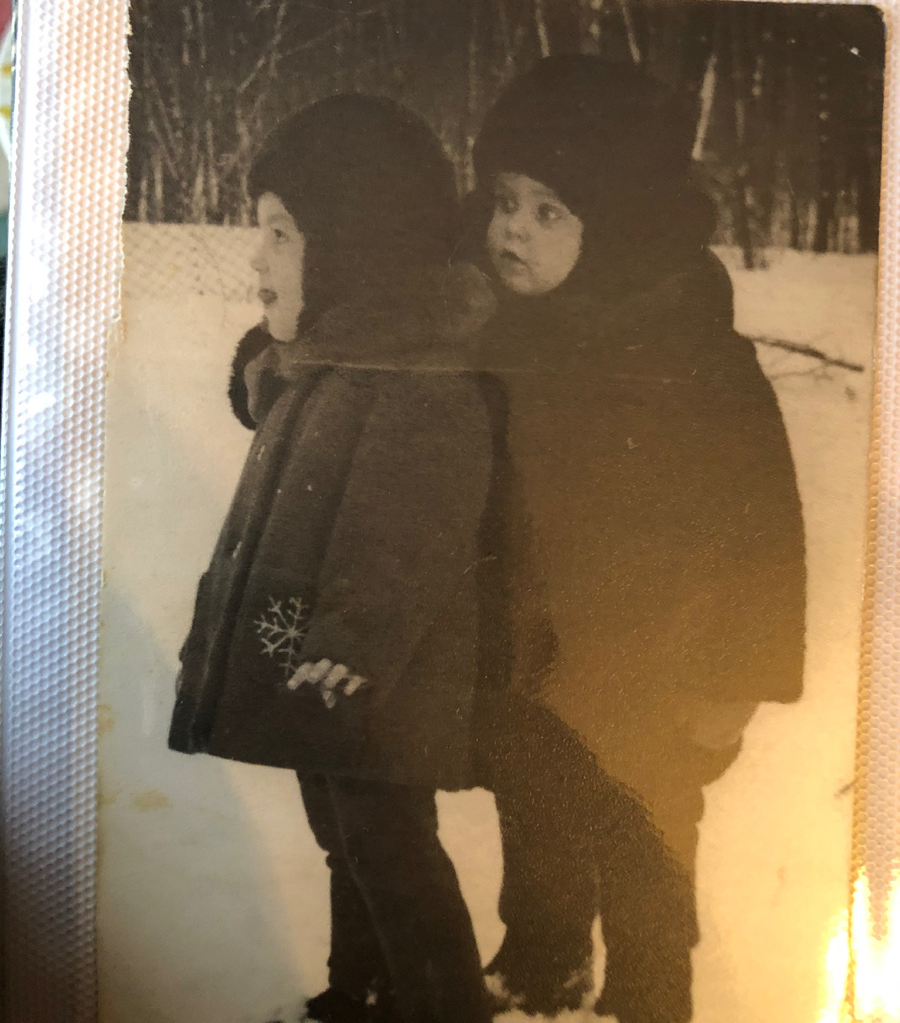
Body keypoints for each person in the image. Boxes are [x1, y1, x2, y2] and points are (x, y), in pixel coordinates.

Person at [468, 55, 807, 1022]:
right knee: (535, 818)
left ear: (618, 224)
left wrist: (736, 680)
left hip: (660, 675)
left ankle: (650, 996)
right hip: (536, 661)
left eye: (549, 210)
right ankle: (541, 965)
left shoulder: (697, 361)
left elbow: (765, 539)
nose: (512, 230)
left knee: (646, 841)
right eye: (504, 201)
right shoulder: (505, 340)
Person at [168, 94, 498, 1023]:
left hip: (372, 672)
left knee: (389, 846)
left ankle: (442, 1006)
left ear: (353, 248)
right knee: (346, 835)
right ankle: (359, 991)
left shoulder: (418, 381)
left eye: (281, 232)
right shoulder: (333, 367)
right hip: (322, 662)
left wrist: (351, 642)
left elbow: (406, 535)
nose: (257, 257)